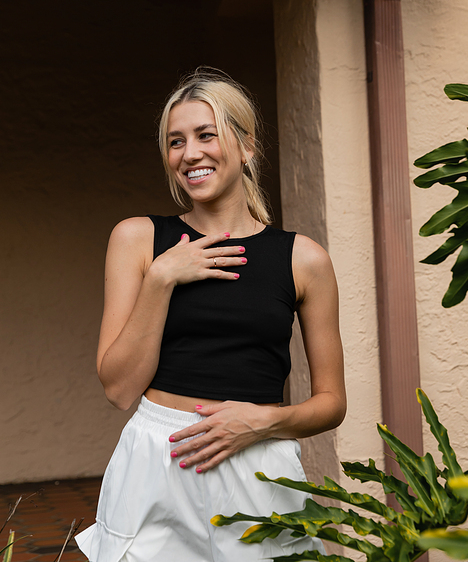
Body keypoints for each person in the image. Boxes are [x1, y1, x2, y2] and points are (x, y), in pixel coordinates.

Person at [75, 67, 346, 562]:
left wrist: (265, 423)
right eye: (175, 142)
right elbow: (118, 390)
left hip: (258, 460)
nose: (190, 153)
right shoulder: (137, 239)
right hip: (158, 457)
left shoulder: (302, 258)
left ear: (246, 147)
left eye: (206, 135)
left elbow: (332, 403)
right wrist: (161, 278)